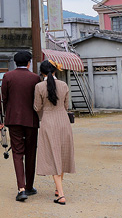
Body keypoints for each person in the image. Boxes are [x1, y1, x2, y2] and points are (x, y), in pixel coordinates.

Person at [0, 50, 41, 202]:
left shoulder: (7, 76)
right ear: (29, 62)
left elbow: (3, 99)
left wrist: (0, 119)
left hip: (13, 120)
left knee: (17, 152)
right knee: (31, 152)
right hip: (31, 120)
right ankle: (29, 186)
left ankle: (21, 188)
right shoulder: (35, 78)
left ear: (15, 63)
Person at [34, 59, 76, 206]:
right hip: (63, 121)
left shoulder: (39, 86)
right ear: (55, 71)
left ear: (42, 72)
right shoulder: (64, 85)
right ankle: (58, 189)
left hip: (48, 122)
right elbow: (66, 105)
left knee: (52, 156)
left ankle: (61, 195)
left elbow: (37, 107)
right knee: (62, 155)